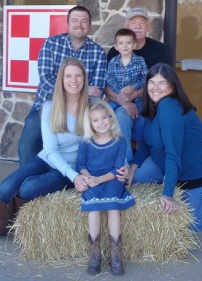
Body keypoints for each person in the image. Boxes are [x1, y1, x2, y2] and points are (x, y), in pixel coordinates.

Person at [0, 58, 96, 239]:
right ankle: (2, 223)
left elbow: (110, 135)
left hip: (72, 168)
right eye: (68, 76)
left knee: (28, 188)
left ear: (84, 79)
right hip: (47, 158)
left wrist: (75, 176)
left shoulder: (93, 107)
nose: (73, 80)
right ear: (61, 79)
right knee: (6, 187)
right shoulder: (50, 107)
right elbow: (51, 150)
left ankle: (4, 219)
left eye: (78, 76)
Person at [127, 63, 202, 232]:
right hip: (163, 166)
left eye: (162, 83)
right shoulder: (154, 105)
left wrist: (168, 194)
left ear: (172, 87)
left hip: (198, 174)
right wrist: (133, 166)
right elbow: (146, 141)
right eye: (152, 82)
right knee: (134, 181)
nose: (155, 88)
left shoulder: (169, 107)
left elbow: (173, 154)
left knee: (190, 224)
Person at [18, 5, 107, 166]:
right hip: (46, 106)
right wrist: (81, 90)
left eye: (84, 21)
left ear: (90, 26)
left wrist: (81, 94)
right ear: (67, 23)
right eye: (75, 20)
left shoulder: (98, 53)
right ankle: (23, 182)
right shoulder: (51, 44)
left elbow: (97, 92)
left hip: (78, 111)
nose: (79, 25)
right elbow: (46, 80)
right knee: (27, 144)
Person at [76, 99, 135, 276]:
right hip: (92, 178)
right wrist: (88, 177)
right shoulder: (86, 141)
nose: (100, 123)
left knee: (112, 208)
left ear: (111, 118)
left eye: (104, 118)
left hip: (111, 179)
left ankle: (115, 255)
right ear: (90, 123)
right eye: (95, 120)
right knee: (93, 208)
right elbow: (81, 164)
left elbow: (118, 169)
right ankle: (95, 255)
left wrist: (99, 179)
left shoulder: (119, 141)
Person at [105, 7, 167, 161]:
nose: (138, 26)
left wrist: (134, 93)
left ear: (148, 27)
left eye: (142, 23)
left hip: (148, 99)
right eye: (133, 23)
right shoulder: (114, 54)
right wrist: (123, 99)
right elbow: (106, 82)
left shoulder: (158, 50)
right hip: (120, 99)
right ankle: (123, 159)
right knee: (112, 113)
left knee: (138, 115)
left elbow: (158, 82)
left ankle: (137, 160)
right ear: (127, 26)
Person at [105, 28, 148, 161]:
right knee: (107, 112)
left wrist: (133, 87)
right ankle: (112, 149)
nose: (125, 46)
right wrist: (120, 92)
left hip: (137, 97)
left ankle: (137, 144)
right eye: (121, 43)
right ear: (116, 47)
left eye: (128, 43)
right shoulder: (113, 62)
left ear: (134, 45)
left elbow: (146, 78)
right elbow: (109, 79)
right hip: (119, 97)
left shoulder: (140, 61)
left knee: (143, 115)